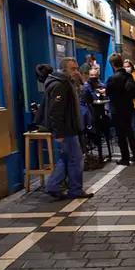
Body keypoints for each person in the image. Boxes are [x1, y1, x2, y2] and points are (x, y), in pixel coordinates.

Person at [36, 58, 93, 200]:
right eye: (73, 69)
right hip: (66, 129)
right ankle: (73, 189)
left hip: (70, 127)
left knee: (68, 158)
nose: (76, 71)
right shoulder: (59, 85)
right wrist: (59, 132)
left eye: (77, 68)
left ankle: (53, 186)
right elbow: (55, 111)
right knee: (76, 159)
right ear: (63, 70)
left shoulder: (67, 82)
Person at [105, 53, 135, 165]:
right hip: (128, 107)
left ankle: (125, 158)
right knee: (130, 132)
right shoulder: (128, 76)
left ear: (113, 64)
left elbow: (108, 92)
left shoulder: (112, 78)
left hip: (117, 109)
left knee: (121, 135)